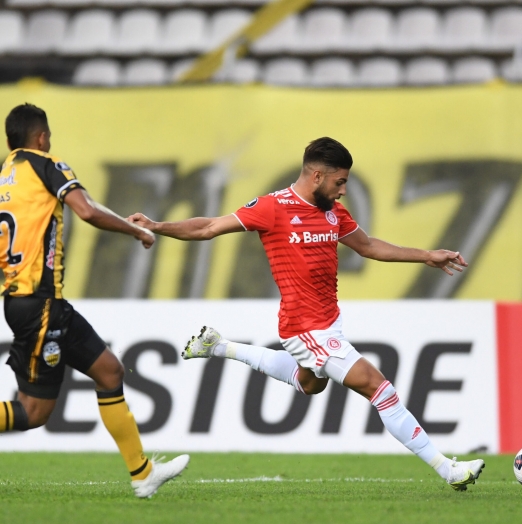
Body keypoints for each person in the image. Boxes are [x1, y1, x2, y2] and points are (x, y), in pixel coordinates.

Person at [129, 136, 484, 491]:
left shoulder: (333, 211)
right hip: (304, 328)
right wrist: (158, 226)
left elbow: (369, 246)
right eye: (339, 181)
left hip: (329, 323)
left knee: (308, 384)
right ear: (316, 176)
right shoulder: (272, 207)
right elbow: (209, 227)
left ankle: (221, 347)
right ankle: (447, 469)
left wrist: (426, 255)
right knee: (380, 389)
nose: (343, 190)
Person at [0, 104, 189, 498]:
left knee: (109, 372)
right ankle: (141, 472)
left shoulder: (6, 178)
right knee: (33, 413)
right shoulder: (47, 164)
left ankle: (142, 473)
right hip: (39, 305)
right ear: (42, 137)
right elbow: (85, 210)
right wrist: (135, 231)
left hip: (35, 303)